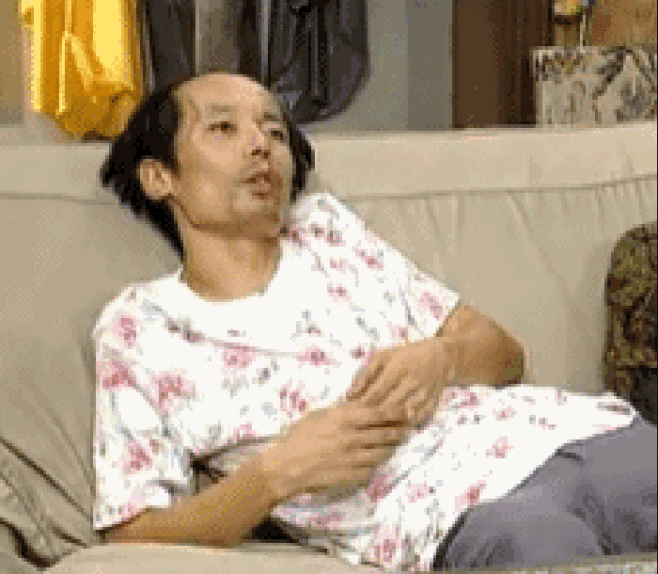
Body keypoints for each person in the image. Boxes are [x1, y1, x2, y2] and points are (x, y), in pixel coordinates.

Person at [93, 70, 657, 572]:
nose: (260, 145)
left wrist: (442, 358)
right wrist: (275, 475)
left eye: (274, 131)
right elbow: (131, 530)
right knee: (541, 549)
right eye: (223, 128)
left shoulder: (327, 232)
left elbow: (505, 355)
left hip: (587, 438)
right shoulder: (142, 329)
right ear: (159, 177)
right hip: (468, 513)